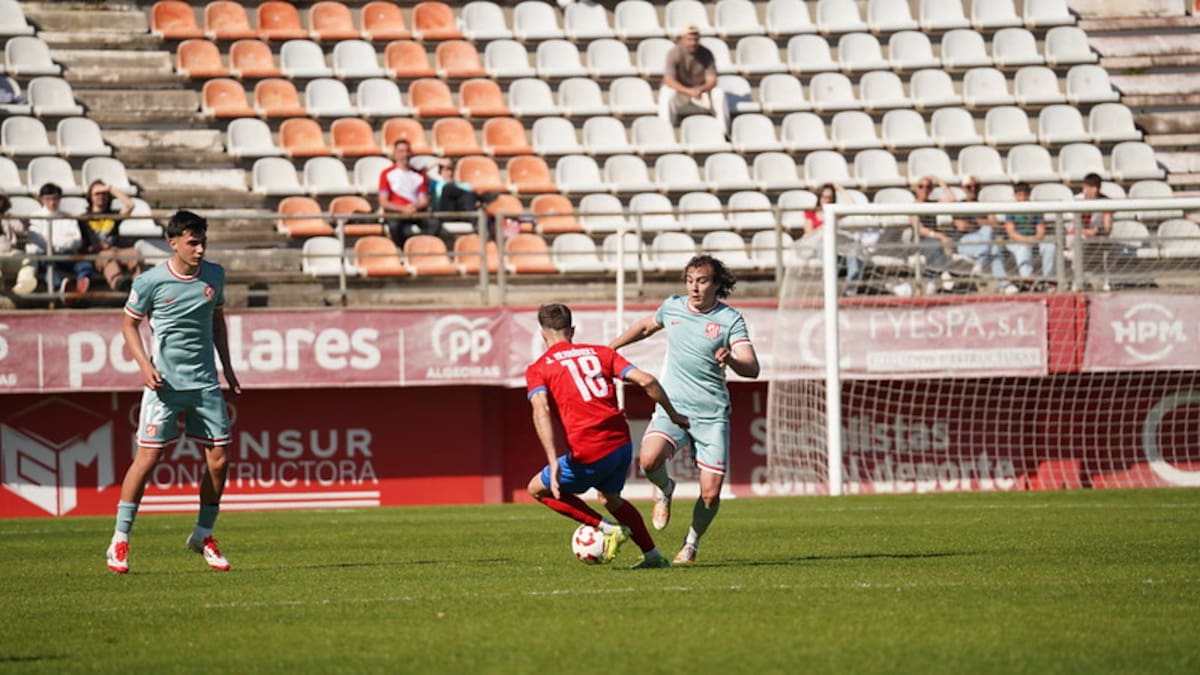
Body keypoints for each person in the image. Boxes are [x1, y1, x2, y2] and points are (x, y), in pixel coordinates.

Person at [106, 210, 242, 574]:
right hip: (163, 385)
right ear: (174, 242)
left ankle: (203, 534)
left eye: (203, 243)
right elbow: (129, 324)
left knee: (220, 460)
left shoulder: (215, 276)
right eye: (193, 243)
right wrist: (144, 365)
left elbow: (217, 320)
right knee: (147, 460)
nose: (199, 250)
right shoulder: (151, 281)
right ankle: (119, 540)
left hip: (204, 384)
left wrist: (227, 366)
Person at [609, 255, 759, 564]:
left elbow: (752, 367)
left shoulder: (730, 319)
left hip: (711, 415)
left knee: (710, 493)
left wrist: (730, 359)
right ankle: (665, 489)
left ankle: (690, 544)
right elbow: (643, 327)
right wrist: (610, 349)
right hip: (672, 407)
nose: (694, 287)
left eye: (702, 281)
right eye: (690, 281)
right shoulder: (673, 306)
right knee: (649, 460)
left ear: (717, 284)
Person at [526, 303, 690, 569]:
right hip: (621, 445)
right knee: (609, 498)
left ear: (543, 334)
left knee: (537, 489)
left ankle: (606, 528)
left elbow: (541, 408)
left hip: (589, 449)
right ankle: (653, 556)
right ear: (573, 330)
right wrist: (673, 414)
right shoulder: (602, 353)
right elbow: (647, 380)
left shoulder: (539, 368)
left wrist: (553, 461)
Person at [659, 24, 729, 134]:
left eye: (696, 39)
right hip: (681, 93)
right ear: (682, 39)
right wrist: (688, 91)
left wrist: (700, 90)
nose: (693, 43)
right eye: (689, 39)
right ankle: (666, 133)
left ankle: (723, 132)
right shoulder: (673, 53)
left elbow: (712, 80)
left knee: (718, 93)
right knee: (667, 93)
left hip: (700, 93)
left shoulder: (706, 54)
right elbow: (669, 80)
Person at [25, 183, 91, 295]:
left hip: (66, 255)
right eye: (48, 199)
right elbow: (36, 244)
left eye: (55, 198)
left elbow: (76, 241)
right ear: (41, 199)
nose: (52, 202)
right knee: (49, 267)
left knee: (85, 264)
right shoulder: (35, 217)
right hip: (45, 257)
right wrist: (62, 241)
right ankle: (59, 289)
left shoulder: (69, 217)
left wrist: (52, 243)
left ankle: (81, 286)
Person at [993, 182, 1056, 293]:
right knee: (1023, 248)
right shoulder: (1011, 210)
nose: (1022, 198)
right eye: (1019, 195)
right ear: (1015, 195)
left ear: (1029, 195)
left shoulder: (1035, 209)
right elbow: (1011, 233)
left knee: (1050, 246)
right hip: (1016, 242)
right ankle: (1028, 281)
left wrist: (1034, 239)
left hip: (1034, 241)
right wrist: (1025, 240)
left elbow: (1041, 230)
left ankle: (1049, 281)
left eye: (1025, 195)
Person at [378, 139, 443, 247]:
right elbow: (383, 201)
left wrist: (414, 206)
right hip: (396, 212)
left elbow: (423, 200)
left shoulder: (419, 175)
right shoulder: (386, 174)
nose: (405, 155)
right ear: (395, 154)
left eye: (407, 151)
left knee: (434, 223)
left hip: (415, 211)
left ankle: (421, 247)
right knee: (394, 226)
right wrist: (402, 209)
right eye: (401, 151)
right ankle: (404, 250)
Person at [80, 180, 141, 292]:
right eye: (97, 193)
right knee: (107, 256)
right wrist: (95, 247)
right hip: (97, 254)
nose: (101, 196)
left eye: (104, 194)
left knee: (134, 252)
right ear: (90, 197)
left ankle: (140, 287)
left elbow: (130, 205)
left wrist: (110, 188)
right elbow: (81, 245)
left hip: (115, 250)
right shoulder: (83, 218)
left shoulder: (113, 215)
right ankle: (118, 283)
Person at [0, 194, 29, 292]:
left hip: (10, 253)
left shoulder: (7, 216)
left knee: (30, 260)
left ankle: (21, 288)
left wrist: (23, 221)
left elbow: (21, 228)